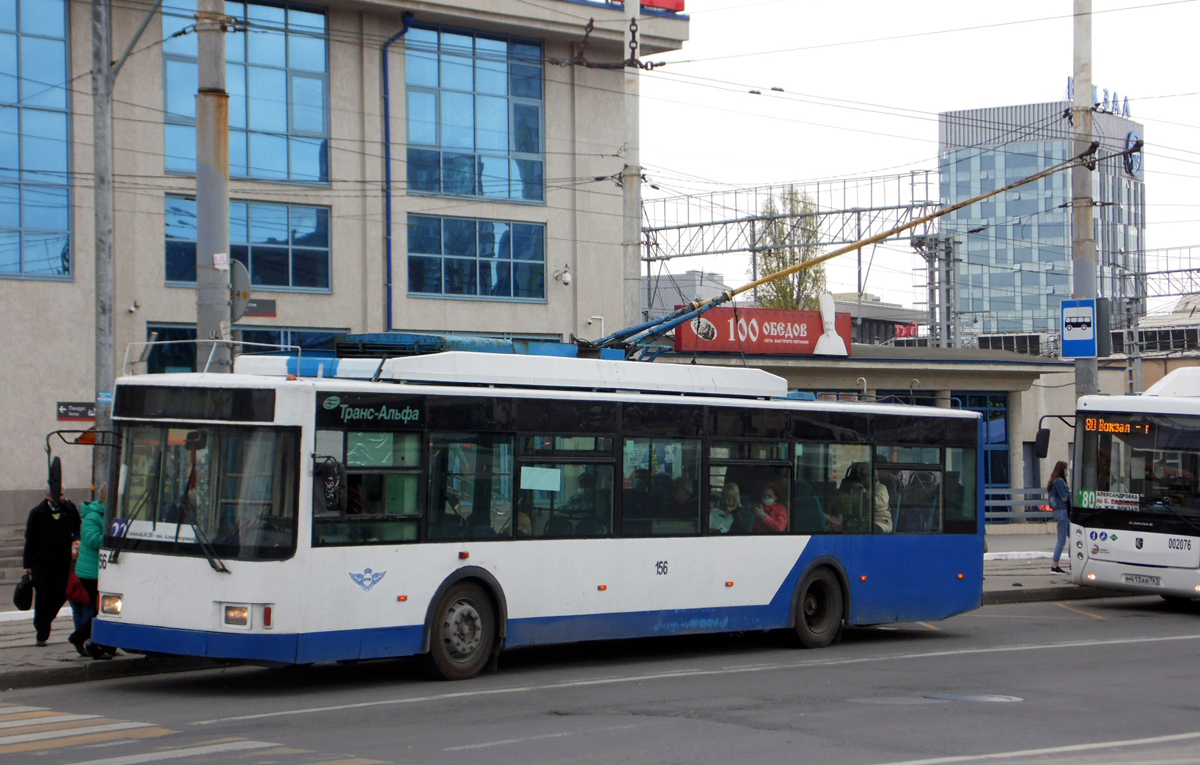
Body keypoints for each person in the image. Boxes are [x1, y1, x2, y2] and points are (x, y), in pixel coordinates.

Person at [23, 482, 81, 647]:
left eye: (63, 494)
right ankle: (41, 633)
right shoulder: (37, 513)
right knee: (42, 597)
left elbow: (77, 530)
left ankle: (45, 620)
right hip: (41, 563)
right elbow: (30, 540)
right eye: (58, 495)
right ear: (48, 496)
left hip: (63, 562)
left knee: (61, 594)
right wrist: (27, 563)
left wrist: (75, 542)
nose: (61, 498)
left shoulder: (69, 510)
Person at [68, 493, 114, 659]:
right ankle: (82, 639)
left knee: (104, 609)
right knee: (102, 610)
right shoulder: (93, 516)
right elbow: (92, 539)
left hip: (101, 570)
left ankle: (102, 644)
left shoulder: (107, 514)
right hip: (90, 571)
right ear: (104, 497)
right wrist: (113, 539)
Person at [1048, 460, 1072, 574]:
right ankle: (1055, 565)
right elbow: (1064, 497)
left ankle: (1073, 562)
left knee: (1073, 537)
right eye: (1066, 469)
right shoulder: (1060, 481)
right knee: (1062, 540)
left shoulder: (1054, 480)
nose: (1068, 471)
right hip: (1063, 512)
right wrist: (1072, 492)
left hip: (1061, 512)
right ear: (1062, 469)